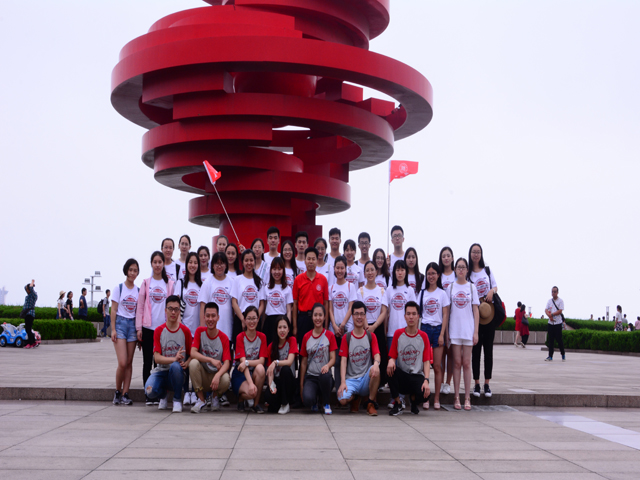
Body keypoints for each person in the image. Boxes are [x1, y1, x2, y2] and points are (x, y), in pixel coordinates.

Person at [136, 251, 175, 403]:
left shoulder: (169, 284)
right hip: (148, 328)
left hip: (163, 329)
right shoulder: (146, 283)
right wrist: (139, 328)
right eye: (155, 262)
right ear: (151, 264)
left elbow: (173, 307)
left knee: (160, 363)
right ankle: (148, 394)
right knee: (147, 362)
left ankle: (158, 393)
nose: (157, 265)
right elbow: (140, 307)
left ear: (163, 264)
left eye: (160, 262)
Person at [144, 295, 192, 413]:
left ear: (179, 311)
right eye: (170, 309)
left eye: (176, 309)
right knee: (149, 391)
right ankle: (163, 395)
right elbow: (157, 358)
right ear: (165, 310)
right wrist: (174, 358)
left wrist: (187, 362)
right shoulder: (159, 331)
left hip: (178, 372)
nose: (173, 312)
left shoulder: (185, 331)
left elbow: (192, 353)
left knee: (176, 366)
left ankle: (177, 399)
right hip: (161, 371)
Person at [198, 251, 234, 407]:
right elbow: (203, 307)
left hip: (227, 329)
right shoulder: (208, 282)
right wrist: (202, 329)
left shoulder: (231, 281)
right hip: (210, 331)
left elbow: (234, 305)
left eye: (222, 263)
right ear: (212, 265)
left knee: (225, 362)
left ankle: (220, 393)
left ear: (226, 265)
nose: (219, 266)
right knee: (209, 362)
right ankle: (207, 394)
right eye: (217, 263)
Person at [387, 301, 432, 416]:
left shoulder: (423, 336)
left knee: (426, 394)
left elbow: (426, 361)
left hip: (417, 375)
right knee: (389, 370)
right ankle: (398, 403)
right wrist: (391, 361)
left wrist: (426, 380)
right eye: (408, 314)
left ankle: (413, 401)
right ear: (405, 316)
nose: (411, 317)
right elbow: (392, 356)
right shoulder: (398, 334)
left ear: (418, 316)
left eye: (413, 314)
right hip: (403, 375)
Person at [337, 301, 381, 416]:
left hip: (365, 378)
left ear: (365, 316)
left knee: (375, 369)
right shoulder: (347, 337)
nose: (359, 317)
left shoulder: (371, 336)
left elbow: (377, 355)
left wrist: (376, 364)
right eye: (356, 314)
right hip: (351, 379)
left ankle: (370, 403)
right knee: (342, 399)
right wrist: (343, 382)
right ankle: (355, 397)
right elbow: (343, 361)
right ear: (352, 316)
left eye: (362, 314)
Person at [447, 257, 479, 411]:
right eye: (458, 267)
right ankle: (456, 397)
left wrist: (476, 332)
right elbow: (447, 312)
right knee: (456, 363)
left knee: (466, 363)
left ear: (467, 270)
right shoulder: (451, 287)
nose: (461, 270)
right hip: (455, 330)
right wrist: (447, 332)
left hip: (468, 330)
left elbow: (476, 311)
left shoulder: (472, 288)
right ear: (455, 269)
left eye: (463, 267)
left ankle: (467, 397)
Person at [189, 302, 232, 413]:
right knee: (193, 363)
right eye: (208, 316)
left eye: (213, 316)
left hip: (215, 376)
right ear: (204, 317)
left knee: (226, 379)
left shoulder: (224, 338)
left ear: (218, 317)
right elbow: (193, 352)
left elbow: (227, 363)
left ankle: (214, 397)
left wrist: (218, 375)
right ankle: (201, 400)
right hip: (203, 374)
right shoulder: (200, 331)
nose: (210, 319)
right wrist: (210, 360)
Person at [418, 262, 450, 410]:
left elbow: (445, 315)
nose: (431, 276)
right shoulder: (422, 293)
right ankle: (425, 397)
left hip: (437, 329)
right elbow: (418, 314)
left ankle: (436, 398)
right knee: (424, 366)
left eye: (433, 273)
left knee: (437, 366)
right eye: (429, 273)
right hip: (424, 329)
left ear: (438, 275)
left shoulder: (442, 294)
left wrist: (442, 334)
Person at [469, 243, 499, 399]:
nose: (476, 254)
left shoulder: (487, 270)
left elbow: (496, 287)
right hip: (475, 317)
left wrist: (491, 291)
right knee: (476, 351)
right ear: (470, 254)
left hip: (489, 315)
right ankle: (476, 383)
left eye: (478, 252)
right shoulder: (468, 273)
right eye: (473, 252)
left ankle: (487, 384)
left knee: (488, 351)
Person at [110, 258, 140, 406]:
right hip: (121, 325)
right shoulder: (119, 288)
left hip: (133, 325)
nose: (132, 273)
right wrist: (113, 329)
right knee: (122, 362)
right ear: (126, 271)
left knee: (129, 362)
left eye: (135, 270)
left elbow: (139, 311)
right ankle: (117, 390)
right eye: (130, 270)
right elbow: (113, 310)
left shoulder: (138, 290)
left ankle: (125, 393)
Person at [175, 251, 203, 406]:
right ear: (186, 265)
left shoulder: (202, 284)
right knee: (184, 361)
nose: (193, 265)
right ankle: (186, 391)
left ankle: (196, 391)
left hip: (197, 329)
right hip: (184, 328)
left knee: (195, 362)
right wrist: (180, 326)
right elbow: (176, 306)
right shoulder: (180, 283)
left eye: (195, 262)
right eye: (190, 262)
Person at [300, 303, 337, 414]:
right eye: (315, 315)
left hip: (324, 376)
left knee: (325, 377)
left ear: (324, 317)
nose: (318, 318)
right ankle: (314, 401)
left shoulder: (330, 335)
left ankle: (326, 403)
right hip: (311, 377)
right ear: (312, 317)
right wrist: (301, 384)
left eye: (320, 315)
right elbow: (303, 363)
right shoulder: (306, 336)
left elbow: (333, 358)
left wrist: (327, 366)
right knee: (307, 399)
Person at [357, 261, 389, 391]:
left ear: (376, 272)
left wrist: (374, 326)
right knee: (365, 356)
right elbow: (360, 311)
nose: (370, 272)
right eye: (367, 270)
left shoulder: (382, 291)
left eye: (372, 270)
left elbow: (384, 311)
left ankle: (379, 383)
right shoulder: (360, 291)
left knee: (380, 355)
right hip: (364, 327)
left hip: (378, 327)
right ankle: (365, 384)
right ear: (364, 273)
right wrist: (367, 327)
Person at [232, 306, 268, 413]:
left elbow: (261, 361)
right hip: (241, 373)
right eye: (249, 318)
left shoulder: (262, 337)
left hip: (254, 371)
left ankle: (255, 404)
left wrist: (247, 362)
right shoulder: (240, 337)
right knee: (251, 392)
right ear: (244, 319)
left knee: (261, 368)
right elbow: (242, 364)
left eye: (254, 318)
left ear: (258, 319)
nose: (252, 321)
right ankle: (241, 399)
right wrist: (251, 384)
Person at [292, 247, 329, 346]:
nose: (311, 261)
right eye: (308, 259)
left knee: (319, 348)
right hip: (303, 319)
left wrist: (325, 325)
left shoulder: (323, 280)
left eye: (313, 259)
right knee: (303, 349)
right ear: (305, 261)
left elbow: (326, 303)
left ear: (317, 261)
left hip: (318, 319)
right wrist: (295, 327)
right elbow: (295, 304)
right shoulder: (298, 279)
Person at [264, 316, 298, 414]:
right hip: (277, 381)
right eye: (279, 327)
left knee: (285, 369)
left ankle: (285, 403)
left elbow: (289, 361)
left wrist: (275, 362)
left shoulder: (292, 341)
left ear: (288, 329)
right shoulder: (271, 346)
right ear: (276, 329)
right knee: (268, 396)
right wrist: (271, 386)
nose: (282, 330)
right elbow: (270, 371)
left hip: (289, 381)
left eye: (284, 327)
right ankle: (278, 403)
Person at [231, 249, 263, 347]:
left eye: (251, 260)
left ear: (255, 261)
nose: (249, 263)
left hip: (255, 320)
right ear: (242, 262)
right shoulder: (237, 280)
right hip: (240, 319)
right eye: (246, 260)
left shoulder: (260, 281)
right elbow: (234, 302)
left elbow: (262, 304)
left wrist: (255, 319)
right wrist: (243, 319)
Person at [260, 257, 293, 346]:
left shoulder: (287, 289)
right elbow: (264, 309)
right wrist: (262, 325)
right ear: (271, 271)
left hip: (282, 321)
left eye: (279, 269)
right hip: (269, 322)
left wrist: (287, 326)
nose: (277, 272)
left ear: (283, 270)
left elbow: (289, 311)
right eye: (274, 269)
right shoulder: (266, 288)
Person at [384, 260, 416, 350]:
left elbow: (414, 313)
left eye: (402, 270)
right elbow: (385, 312)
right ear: (394, 272)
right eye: (397, 270)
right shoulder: (389, 290)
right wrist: (385, 331)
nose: (400, 273)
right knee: (392, 358)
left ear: (406, 272)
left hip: (407, 332)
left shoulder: (410, 290)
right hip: (392, 333)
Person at [438, 247, 455, 396]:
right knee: (441, 353)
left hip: (454, 318)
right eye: (444, 256)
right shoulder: (438, 275)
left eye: (448, 255)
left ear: (452, 258)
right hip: (440, 317)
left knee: (451, 353)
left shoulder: (456, 275)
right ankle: (440, 381)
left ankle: (448, 383)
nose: (446, 258)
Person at [329, 256, 356, 336]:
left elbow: (351, 308)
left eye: (342, 268)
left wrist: (342, 325)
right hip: (334, 329)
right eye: (337, 268)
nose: (339, 271)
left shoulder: (351, 286)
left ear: (346, 269)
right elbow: (330, 309)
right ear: (334, 268)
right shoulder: (330, 288)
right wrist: (334, 326)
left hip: (348, 328)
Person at [545, 286, 565, 361]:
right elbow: (546, 309)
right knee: (551, 340)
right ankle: (550, 356)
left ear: (557, 292)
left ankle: (563, 354)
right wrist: (549, 315)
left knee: (559, 340)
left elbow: (560, 311)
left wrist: (552, 314)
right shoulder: (549, 301)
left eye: (554, 291)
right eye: (552, 291)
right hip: (551, 323)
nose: (553, 293)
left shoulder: (560, 301)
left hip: (557, 323)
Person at [22, 280, 38, 349]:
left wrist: (32, 283)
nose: (26, 290)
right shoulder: (28, 296)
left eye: (27, 289)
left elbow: (31, 288)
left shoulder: (33, 295)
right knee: (28, 329)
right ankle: (32, 342)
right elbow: (25, 287)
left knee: (28, 329)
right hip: (27, 314)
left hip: (30, 314)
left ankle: (31, 343)